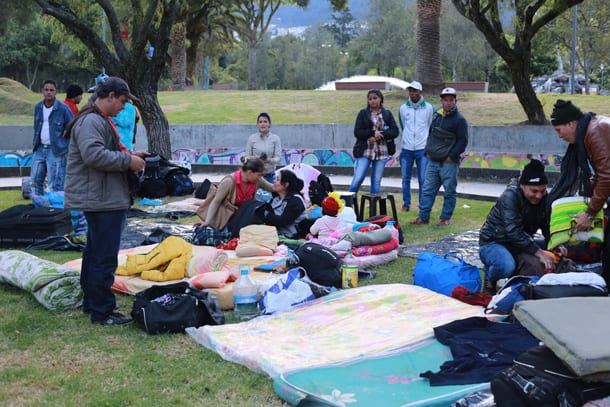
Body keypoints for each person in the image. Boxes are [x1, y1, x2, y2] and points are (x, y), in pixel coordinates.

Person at [63, 76, 147, 326]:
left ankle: (94, 303)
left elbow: (101, 152)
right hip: (102, 199)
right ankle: (102, 310)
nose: (124, 107)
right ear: (110, 96)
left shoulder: (95, 119)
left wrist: (131, 155)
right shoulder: (91, 121)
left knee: (95, 252)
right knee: (104, 256)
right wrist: (128, 161)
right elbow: (93, 155)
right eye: (122, 101)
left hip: (102, 196)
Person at [548, 99, 610, 286]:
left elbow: (606, 176)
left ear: (571, 123)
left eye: (559, 130)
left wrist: (590, 213)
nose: (559, 136)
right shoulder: (591, 128)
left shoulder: (595, 131)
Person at [478, 159, 555, 294]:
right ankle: (490, 279)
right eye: (534, 191)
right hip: (494, 242)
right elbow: (513, 231)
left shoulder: (544, 198)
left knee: (552, 249)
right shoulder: (510, 196)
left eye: (542, 191)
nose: (538, 195)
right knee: (506, 266)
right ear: (522, 185)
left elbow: (547, 226)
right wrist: (539, 253)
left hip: (519, 243)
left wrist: (555, 244)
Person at [411, 87, 468, 226]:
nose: (448, 103)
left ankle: (445, 218)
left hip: (449, 162)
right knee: (427, 189)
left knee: (449, 191)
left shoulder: (460, 120)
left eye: (451, 100)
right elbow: (431, 135)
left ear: (455, 101)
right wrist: (427, 152)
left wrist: (451, 156)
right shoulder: (437, 115)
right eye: (445, 100)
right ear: (441, 101)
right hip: (433, 161)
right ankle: (423, 217)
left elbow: (463, 141)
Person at [195, 156, 273, 230]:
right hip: (228, 219)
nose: (260, 178)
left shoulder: (257, 180)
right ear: (249, 172)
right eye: (259, 175)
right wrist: (207, 222)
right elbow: (216, 202)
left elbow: (272, 188)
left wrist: (282, 182)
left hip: (245, 218)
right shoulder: (229, 181)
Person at [348, 89, 399, 195]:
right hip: (365, 151)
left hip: (381, 153)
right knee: (358, 179)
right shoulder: (363, 114)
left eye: (375, 98)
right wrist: (371, 133)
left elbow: (395, 131)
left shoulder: (387, 114)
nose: (372, 101)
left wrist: (380, 135)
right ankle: (349, 205)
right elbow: (357, 132)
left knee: (376, 181)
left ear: (381, 99)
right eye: (370, 99)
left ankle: (373, 208)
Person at [31, 79, 74, 196]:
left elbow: (72, 126)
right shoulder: (38, 107)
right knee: (35, 181)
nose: (49, 92)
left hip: (56, 150)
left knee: (55, 184)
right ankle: (38, 209)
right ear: (42, 91)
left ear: (56, 92)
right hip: (39, 148)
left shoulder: (63, 108)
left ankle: (56, 211)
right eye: (46, 90)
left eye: (51, 90)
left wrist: (65, 140)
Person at [398, 80, 434, 212]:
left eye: (415, 91)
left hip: (422, 149)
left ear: (420, 92)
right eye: (410, 91)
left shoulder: (429, 108)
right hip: (406, 149)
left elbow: (430, 126)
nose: (412, 93)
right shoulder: (403, 108)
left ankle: (422, 205)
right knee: (405, 178)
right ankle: (406, 204)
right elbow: (403, 126)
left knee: (423, 179)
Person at [259, 169, 308, 239]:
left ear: (286, 184)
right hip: (276, 235)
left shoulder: (296, 200)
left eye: (278, 180)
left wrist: (265, 213)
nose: (274, 181)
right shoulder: (275, 199)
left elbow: (282, 221)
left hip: (292, 237)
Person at [246, 112, 282, 182]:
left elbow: (278, 158)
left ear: (269, 124)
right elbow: (247, 157)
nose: (263, 124)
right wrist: (256, 159)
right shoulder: (252, 138)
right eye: (260, 122)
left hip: (271, 177)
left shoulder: (275, 138)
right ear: (257, 124)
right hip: (255, 177)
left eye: (265, 121)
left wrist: (268, 160)